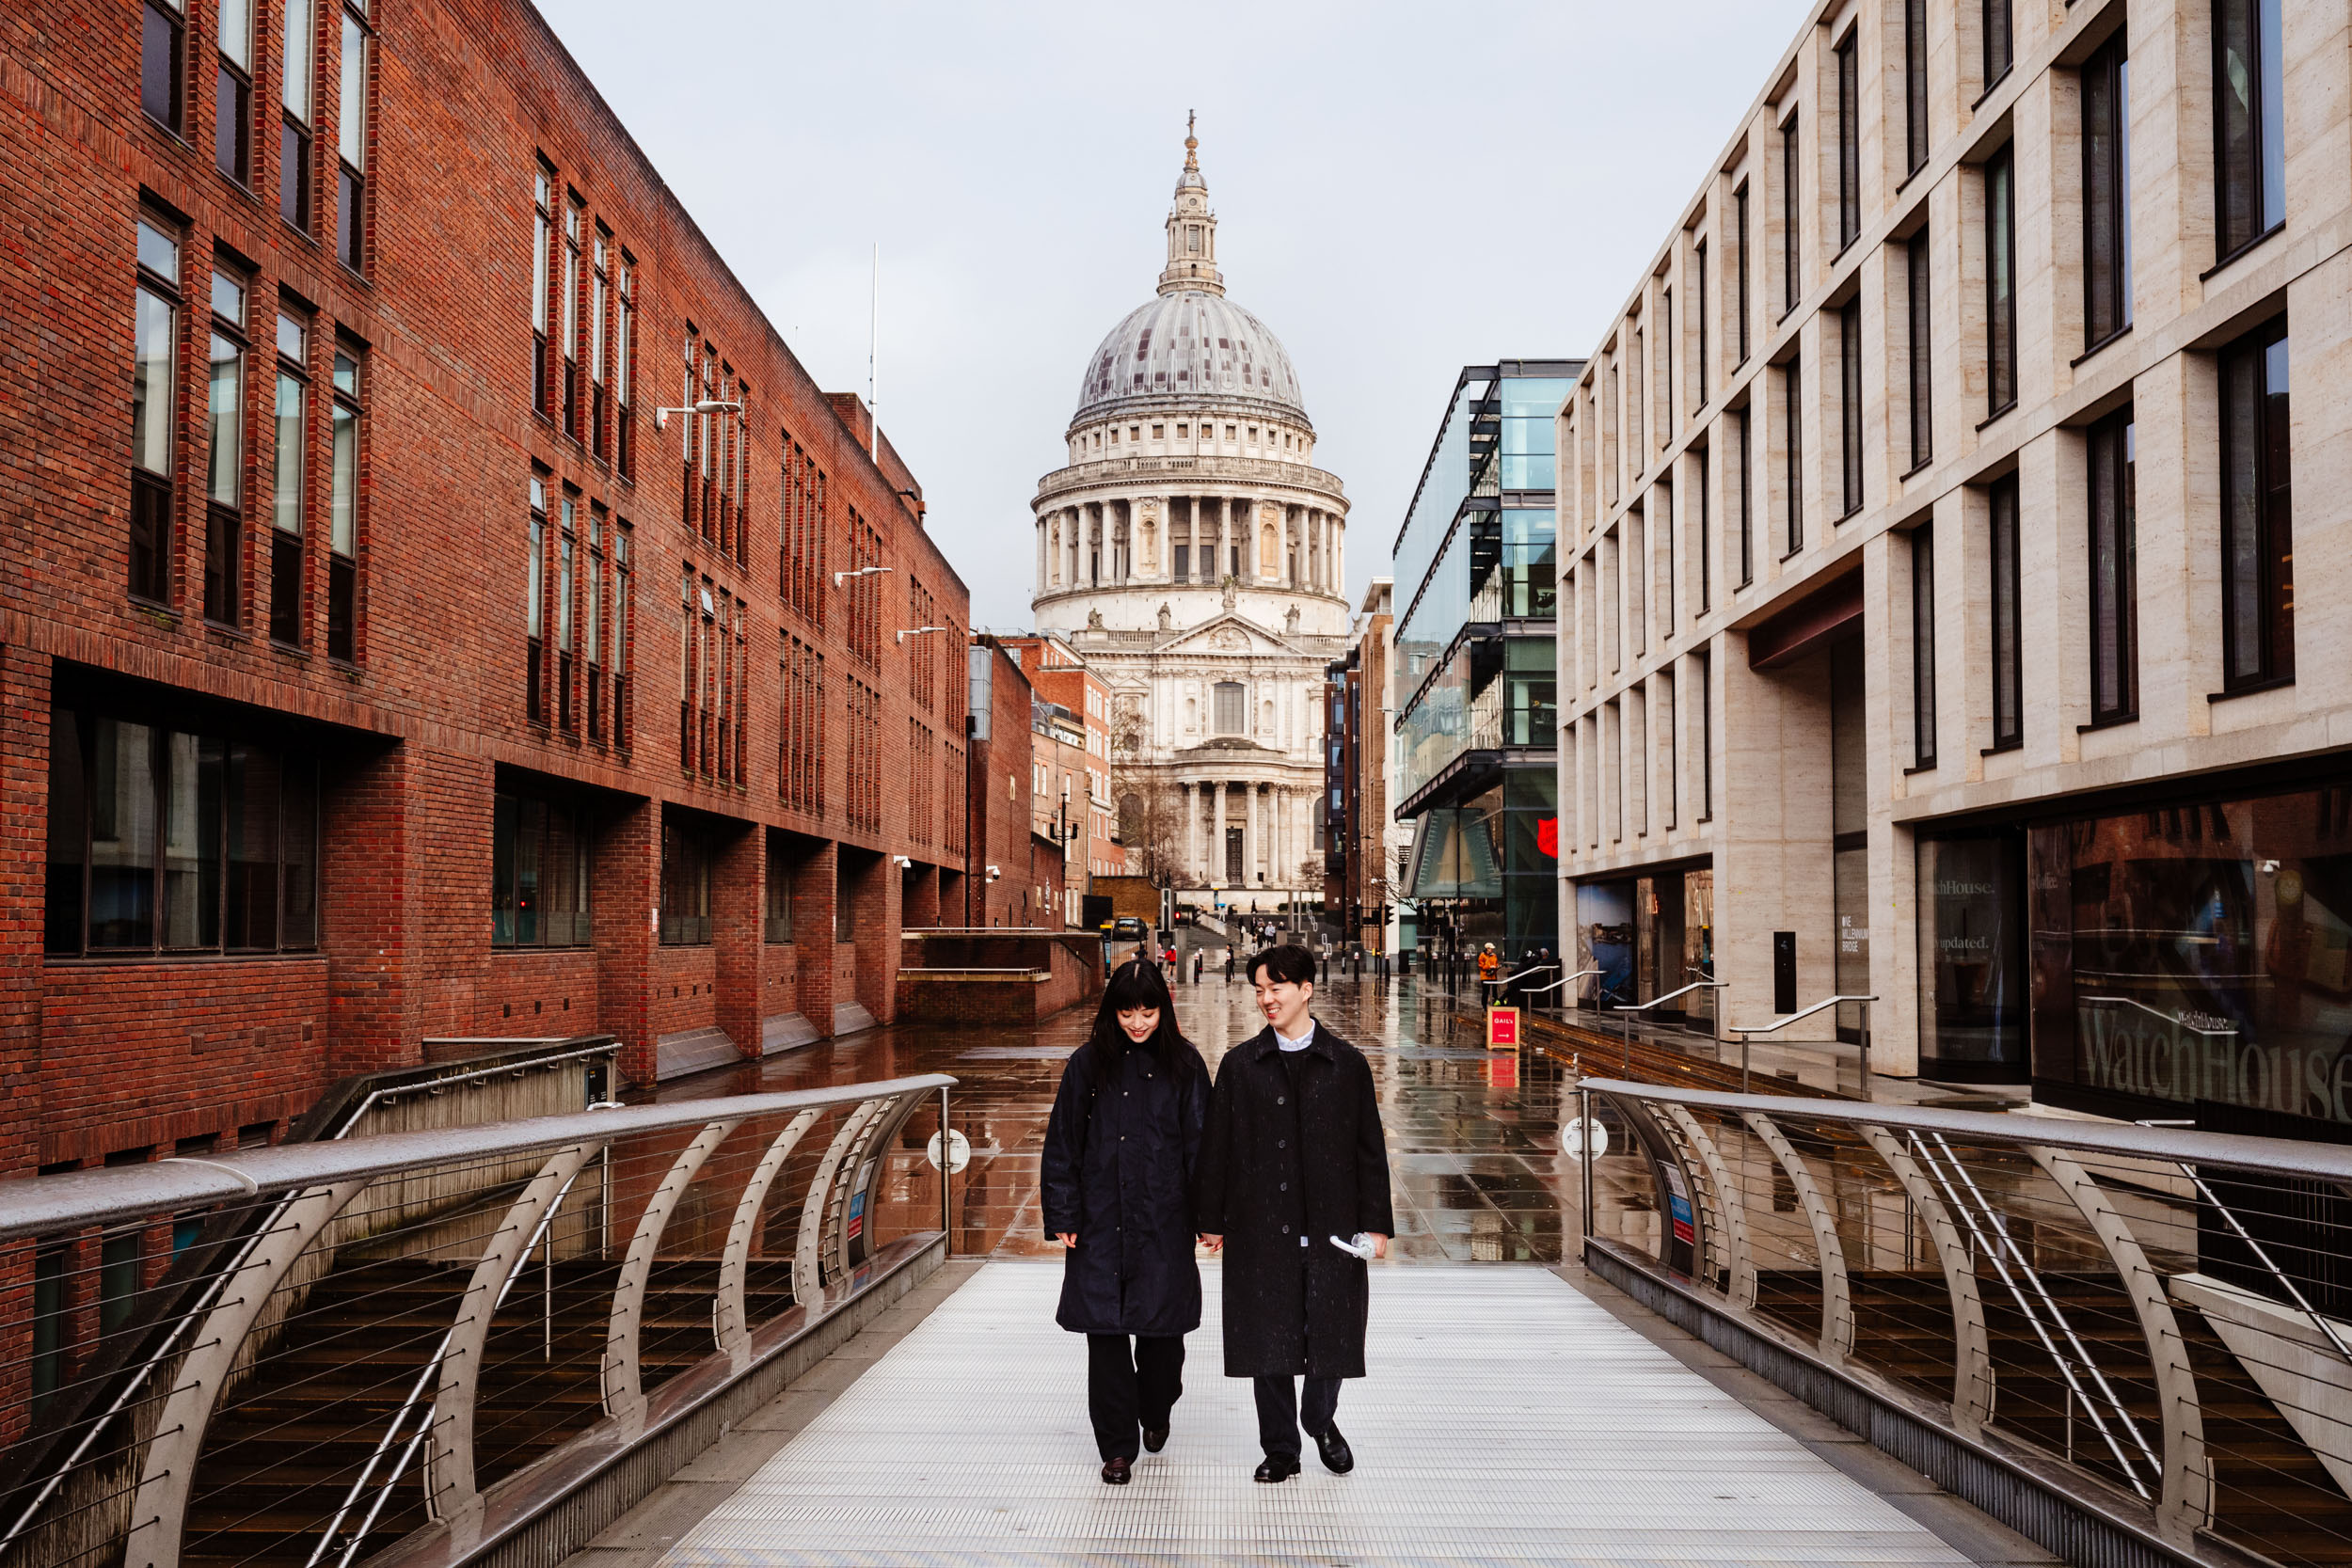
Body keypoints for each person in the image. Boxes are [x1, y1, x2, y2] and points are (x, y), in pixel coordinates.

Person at [1194, 943, 1395, 1483]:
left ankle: (1319, 1420)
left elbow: (1369, 1151)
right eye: (1258, 989)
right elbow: (1218, 1149)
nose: (1266, 999)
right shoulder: (1239, 1066)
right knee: (1270, 1342)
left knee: (1333, 1334)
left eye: (1276, 987)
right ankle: (1280, 1449)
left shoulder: (1347, 1065)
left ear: (1306, 989)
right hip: (1261, 1227)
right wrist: (1210, 1220)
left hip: (1332, 1228)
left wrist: (1376, 1226)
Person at [1041, 959, 1211, 1485]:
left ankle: (1156, 1410)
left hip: (1163, 1219)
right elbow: (1063, 1144)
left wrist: (1209, 1218)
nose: (1138, 1023)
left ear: (1164, 1009)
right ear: (1112, 1012)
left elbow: (1203, 1149)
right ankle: (1116, 1448)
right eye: (1128, 1012)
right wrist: (1063, 1213)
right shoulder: (1087, 1066)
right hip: (1099, 1222)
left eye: (1147, 1011)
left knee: (1163, 1340)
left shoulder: (1185, 1066)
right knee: (1106, 1337)